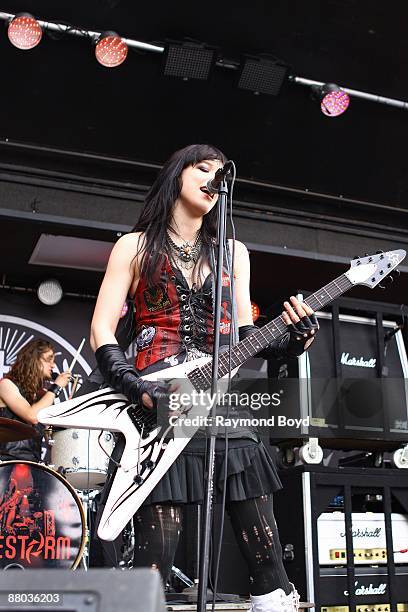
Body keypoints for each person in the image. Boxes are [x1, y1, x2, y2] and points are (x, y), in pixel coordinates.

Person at [90, 144, 319, 612]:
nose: (215, 178)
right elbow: (100, 329)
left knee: (269, 561)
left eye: (221, 173)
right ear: (178, 175)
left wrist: (293, 339)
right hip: (158, 403)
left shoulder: (234, 252)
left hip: (222, 404)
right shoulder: (133, 246)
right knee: (154, 560)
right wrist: (137, 387)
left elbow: (247, 336)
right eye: (203, 168)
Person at [0, 339, 71, 462]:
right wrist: (56, 387)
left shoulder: (43, 396)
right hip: (7, 462)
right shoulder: (6, 384)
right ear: (33, 359)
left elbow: (51, 441)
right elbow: (31, 416)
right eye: (49, 359)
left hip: (33, 465)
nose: (53, 365)